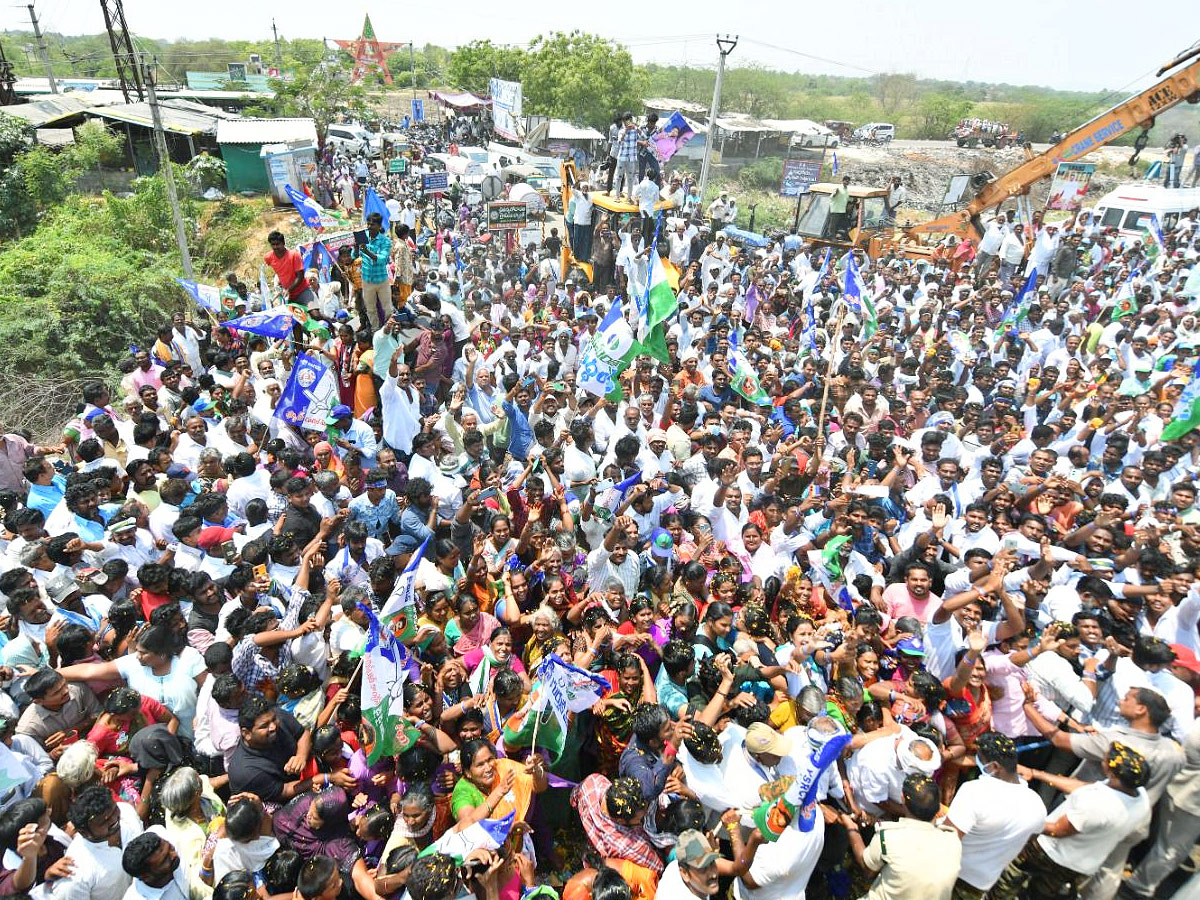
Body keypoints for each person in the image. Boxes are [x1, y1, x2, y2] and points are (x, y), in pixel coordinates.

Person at [844, 773, 963, 900]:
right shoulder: (953, 841)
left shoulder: (887, 837)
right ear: (938, 806)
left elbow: (867, 868)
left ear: (902, 799)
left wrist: (852, 829)